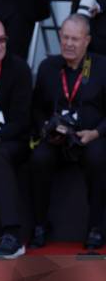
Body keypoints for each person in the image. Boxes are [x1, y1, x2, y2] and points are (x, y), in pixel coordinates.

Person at [30, 14, 106, 250]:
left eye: (75, 39)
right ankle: (40, 225)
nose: (69, 44)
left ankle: (95, 228)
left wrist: (96, 132)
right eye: (65, 38)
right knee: (38, 159)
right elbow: (37, 108)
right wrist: (46, 128)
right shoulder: (47, 67)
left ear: (87, 41)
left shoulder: (102, 66)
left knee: (98, 158)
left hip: (90, 136)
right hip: (56, 139)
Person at [0, 15, 32, 258]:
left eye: (2, 40)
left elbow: (23, 120)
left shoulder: (19, 68)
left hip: (11, 142)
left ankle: (13, 233)